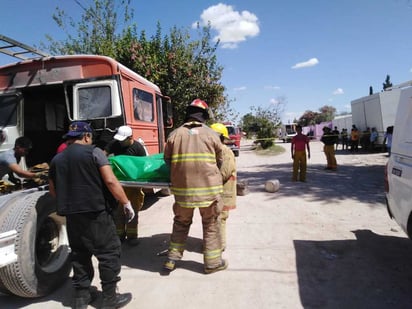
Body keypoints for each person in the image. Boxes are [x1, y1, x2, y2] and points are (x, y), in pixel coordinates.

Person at [48, 121, 133, 309]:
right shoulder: (95, 153)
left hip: (72, 216)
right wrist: (126, 203)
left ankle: (81, 297)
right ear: (86, 136)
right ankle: (110, 298)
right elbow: (111, 181)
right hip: (96, 215)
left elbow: (53, 190)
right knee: (108, 253)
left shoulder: (57, 159)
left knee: (79, 254)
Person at [163, 99, 227, 274]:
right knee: (211, 224)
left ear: (188, 114)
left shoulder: (174, 135)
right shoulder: (212, 135)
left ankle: (172, 259)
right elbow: (220, 162)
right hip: (209, 193)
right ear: (204, 116)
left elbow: (167, 161)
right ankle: (213, 264)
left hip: (183, 193)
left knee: (180, 223)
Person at [105, 125, 147, 245]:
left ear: (130, 138)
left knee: (132, 210)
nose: (120, 143)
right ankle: (120, 235)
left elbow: (143, 165)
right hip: (119, 183)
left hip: (133, 183)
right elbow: (104, 154)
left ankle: (132, 236)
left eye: (123, 141)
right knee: (118, 210)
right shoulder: (115, 143)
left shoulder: (138, 148)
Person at [211, 123, 237, 251]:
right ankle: (215, 242)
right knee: (213, 217)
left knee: (220, 217)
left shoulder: (226, 151)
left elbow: (225, 173)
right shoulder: (214, 150)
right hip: (216, 190)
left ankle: (220, 245)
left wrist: (209, 182)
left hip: (224, 190)